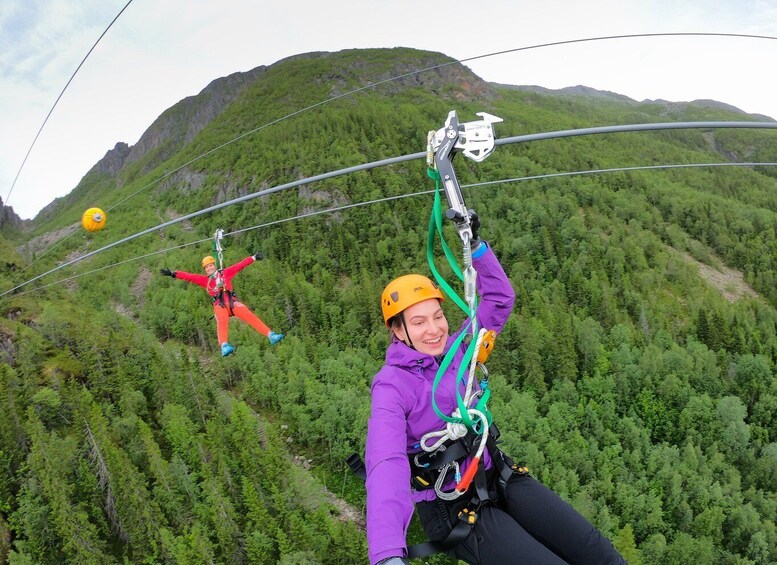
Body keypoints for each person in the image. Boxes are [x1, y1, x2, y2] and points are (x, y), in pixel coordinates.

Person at [365, 222, 625, 564]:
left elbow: (500, 300)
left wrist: (476, 249)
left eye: (438, 316)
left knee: (598, 553)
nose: (434, 329)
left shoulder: (459, 350)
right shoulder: (391, 386)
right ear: (397, 331)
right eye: (418, 322)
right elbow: (385, 463)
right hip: (450, 504)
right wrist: (386, 553)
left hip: (495, 472)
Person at [160, 253, 284, 356]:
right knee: (222, 321)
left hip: (232, 303)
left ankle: (270, 335)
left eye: (210, 266)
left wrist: (253, 258)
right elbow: (190, 277)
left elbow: (239, 266)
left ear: (214, 266)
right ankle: (224, 345)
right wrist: (173, 274)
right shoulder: (205, 281)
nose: (209, 268)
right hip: (220, 305)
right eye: (207, 267)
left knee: (249, 315)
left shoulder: (225, 273)